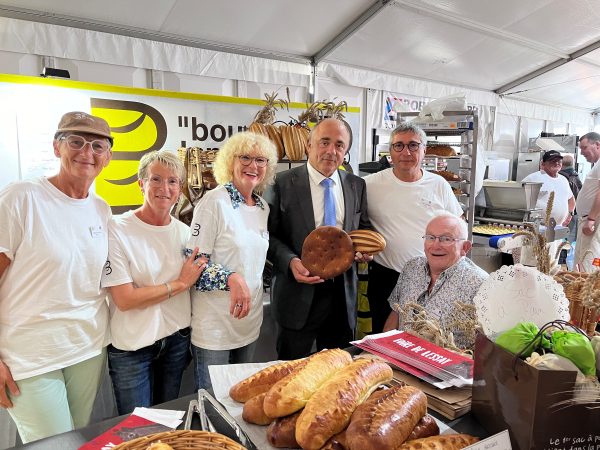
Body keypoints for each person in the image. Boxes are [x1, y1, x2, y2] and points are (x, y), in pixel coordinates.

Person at [0, 112, 113, 443]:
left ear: (108, 156)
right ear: (56, 147)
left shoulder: (100, 209)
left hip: (86, 349)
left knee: (75, 440)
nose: (86, 152)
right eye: (75, 141)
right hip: (30, 357)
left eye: (97, 145)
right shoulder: (21, 198)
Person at [101, 150, 207, 415]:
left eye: (173, 181)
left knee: (166, 420)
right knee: (137, 429)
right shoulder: (117, 229)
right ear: (141, 184)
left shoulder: (184, 233)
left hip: (175, 342)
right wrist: (180, 284)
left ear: (180, 188)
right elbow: (125, 300)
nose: (165, 188)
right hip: (133, 347)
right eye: (156, 180)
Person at [265, 118, 372, 360]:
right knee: (290, 374)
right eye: (324, 142)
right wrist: (291, 261)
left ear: (345, 152)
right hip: (297, 294)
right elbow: (267, 236)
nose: (331, 151)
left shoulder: (356, 185)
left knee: (336, 372)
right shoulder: (281, 183)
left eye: (339, 145)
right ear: (308, 145)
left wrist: (364, 250)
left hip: (342, 298)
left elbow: (362, 229)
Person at [188, 132, 278, 390]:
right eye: (245, 158)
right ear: (230, 162)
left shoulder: (262, 207)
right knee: (214, 404)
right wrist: (231, 277)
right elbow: (193, 264)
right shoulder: (214, 203)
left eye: (260, 160)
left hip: (249, 321)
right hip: (215, 325)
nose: (253, 166)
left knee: (239, 399)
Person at [364, 122, 462, 333]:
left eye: (413, 145)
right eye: (398, 145)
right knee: (384, 339)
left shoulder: (438, 184)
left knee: (428, 338)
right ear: (390, 151)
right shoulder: (369, 185)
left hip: (433, 278)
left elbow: (458, 226)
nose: (406, 152)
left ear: (424, 150)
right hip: (387, 277)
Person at [383, 213, 488, 349]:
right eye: (430, 238)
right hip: (401, 360)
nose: (436, 245)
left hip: (447, 368)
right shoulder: (412, 268)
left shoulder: (480, 284)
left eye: (446, 239)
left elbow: (487, 345)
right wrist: (384, 350)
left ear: (465, 248)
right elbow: (396, 312)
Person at [522, 150, 575, 227]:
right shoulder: (533, 178)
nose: (557, 163)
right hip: (538, 226)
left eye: (559, 161)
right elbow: (520, 199)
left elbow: (571, 199)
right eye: (553, 161)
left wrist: (570, 213)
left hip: (559, 226)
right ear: (543, 163)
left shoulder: (563, 179)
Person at [574, 132, 600, 271]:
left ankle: (587, 292)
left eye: (584, 147)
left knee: (589, 260)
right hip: (588, 219)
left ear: (597, 145)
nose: (582, 152)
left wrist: (590, 219)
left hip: (593, 220)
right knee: (582, 260)